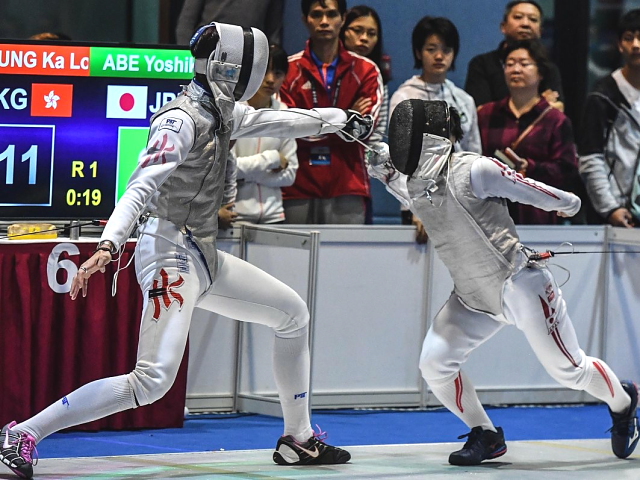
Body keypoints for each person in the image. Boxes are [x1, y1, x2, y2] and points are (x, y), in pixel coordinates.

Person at [0, 22, 374, 479]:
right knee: (152, 380)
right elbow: (141, 185)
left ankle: (298, 439)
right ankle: (22, 434)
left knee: (292, 315)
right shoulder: (178, 120)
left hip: (204, 254)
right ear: (234, 69)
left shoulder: (222, 112)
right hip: (167, 253)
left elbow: (277, 120)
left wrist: (342, 120)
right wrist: (109, 244)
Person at [367, 99, 639, 466]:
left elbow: (530, 189)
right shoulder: (416, 184)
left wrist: (569, 202)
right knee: (435, 362)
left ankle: (623, 401)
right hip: (471, 296)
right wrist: (376, 156)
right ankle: (487, 435)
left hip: (520, 285)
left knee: (569, 370)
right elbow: (407, 190)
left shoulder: (475, 169)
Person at [279, 0, 383, 225]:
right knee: (292, 260)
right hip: (297, 185)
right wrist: (346, 116)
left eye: (331, 14)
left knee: (346, 260)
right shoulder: (289, 70)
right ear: (305, 19)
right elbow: (287, 129)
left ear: (343, 19)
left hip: (348, 184)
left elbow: (364, 129)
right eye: (316, 14)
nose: (324, 21)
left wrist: (308, 122)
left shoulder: (366, 70)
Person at [389, 15, 480, 240]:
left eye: (446, 49)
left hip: (458, 205)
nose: (439, 56)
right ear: (419, 53)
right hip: (416, 207)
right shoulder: (404, 97)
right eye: (431, 49)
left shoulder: (464, 100)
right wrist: (415, 208)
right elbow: (399, 161)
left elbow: (474, 155)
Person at [477, 39, 580, 225]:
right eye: (509, 64)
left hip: (537, 216)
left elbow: (566, 170)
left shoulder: (556, 120)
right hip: (491, 215)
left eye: (524, 64)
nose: (515, 70)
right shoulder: (485, 114)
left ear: (540, 72)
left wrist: (529, 166)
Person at [578, 9, 640, 228]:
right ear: (619, 44)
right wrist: (609, 208)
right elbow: (590, 158)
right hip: (616, 215)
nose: (636, 45)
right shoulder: (602, 96)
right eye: (629, 38)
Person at [231, 44, 298, 224]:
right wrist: (272, 158)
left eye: (277, 73)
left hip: (274, 217)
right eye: (264, 72)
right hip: (235, 216)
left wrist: (246, 175)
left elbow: (290, 175)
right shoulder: (233, 112)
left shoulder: (284, 114)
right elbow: (227, 170)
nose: (270, 79)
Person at [464, 1, 564, 110]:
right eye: (518, 17)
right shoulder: (482, 64)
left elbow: (557, 109)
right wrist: (539, 103)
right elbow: (481, 111)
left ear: (540, 31)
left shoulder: (548, 68)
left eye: (533, 19)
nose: (525, 24)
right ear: (503, 27)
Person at [175, 0, 284, 45]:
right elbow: (186, 22)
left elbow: (274, 30)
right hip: (209, 50)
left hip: (250, 55)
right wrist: (187, 56)